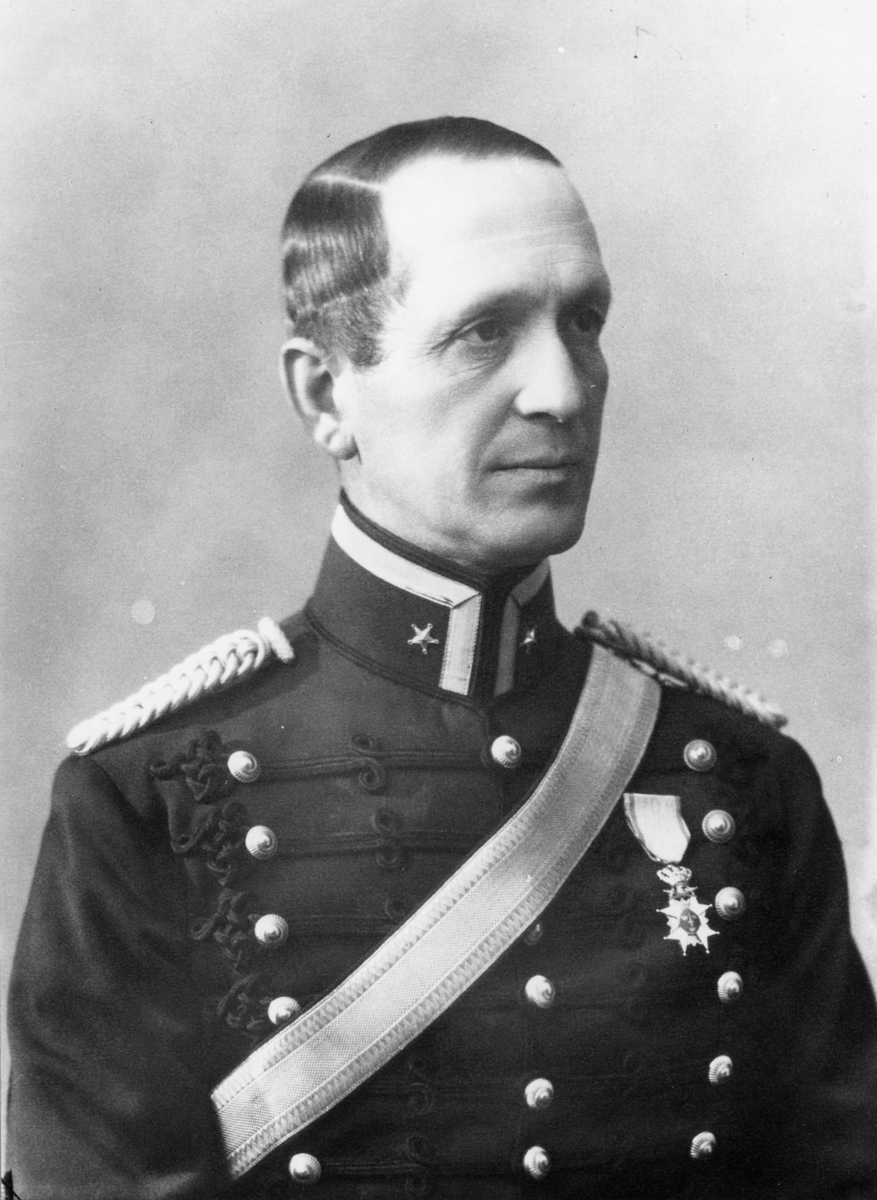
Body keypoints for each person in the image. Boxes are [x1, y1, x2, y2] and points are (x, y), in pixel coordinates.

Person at [6, 117, 876, 1200]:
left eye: (583, 321)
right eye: (482, 333)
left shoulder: (740, 781)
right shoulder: (153, 795)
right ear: (326, 395)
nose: (563, 391)